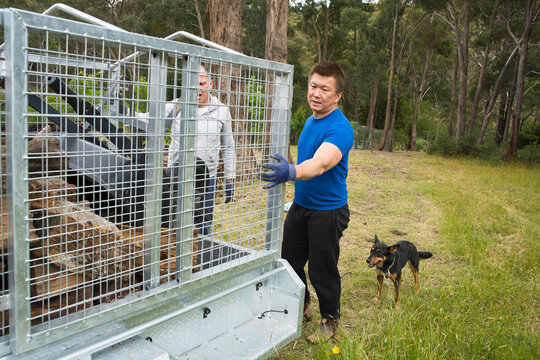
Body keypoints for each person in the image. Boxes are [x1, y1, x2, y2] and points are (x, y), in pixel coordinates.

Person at [261, 62, 353, 343]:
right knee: (288, 260)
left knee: (322, 269)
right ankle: (304, 304)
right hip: (300, 207)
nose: (317, 93)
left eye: (325, 89)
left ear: (337, 96)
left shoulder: (341, 128)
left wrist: (290, 171)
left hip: (328, 212)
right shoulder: (311, 120)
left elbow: (321, 164)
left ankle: (331, 319)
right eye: (313, 86)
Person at [168, 64, 236, 235]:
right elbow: (150, 119)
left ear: (211, 84)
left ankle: (202, 258)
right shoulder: (176, 107)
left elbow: (228, 146)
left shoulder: (221, 111)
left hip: (207, 181)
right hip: (176, 178)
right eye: (192, 83)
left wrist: (230, 178)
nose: (197, 88)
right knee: (172, 227)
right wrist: (125, 111)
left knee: (203, 228)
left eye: (202, 84)